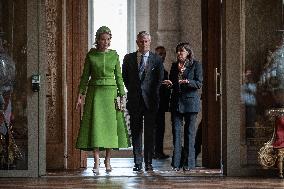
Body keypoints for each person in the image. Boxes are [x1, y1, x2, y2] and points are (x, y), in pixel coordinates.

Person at [75, 26, 130, 173]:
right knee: (96, 127)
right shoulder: (91, 55)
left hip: (111, 94)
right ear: (97, 40)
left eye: (108, 39)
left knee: (110, 129)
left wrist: (122, 95)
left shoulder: (115, 55)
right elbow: (85, 77)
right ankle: (96, 161)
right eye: (103, 39)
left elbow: (119, 77)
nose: (105, 42)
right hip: (95, 94)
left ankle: (108, 160)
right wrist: (80, 95)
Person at [122, 31, 164, 172]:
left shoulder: (157, 59)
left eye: (146, 41)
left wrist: (152, 95)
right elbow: (125, 79)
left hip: (151, 101)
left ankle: (148, 163)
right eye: (141, 41)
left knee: (150, 133)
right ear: (137, 42)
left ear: (150, 42)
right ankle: (138, 163)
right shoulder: (128, 58)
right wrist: (135, 93)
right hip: (135, 100)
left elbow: (159, 80)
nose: (144, 44)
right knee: (136, 132)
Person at [163, 42, 203, 171]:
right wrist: (170, 84)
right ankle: (176, 164)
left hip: (191, 103)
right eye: (178, 51)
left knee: (190, 134)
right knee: (176, 134)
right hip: (176, 103)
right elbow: (174, 83)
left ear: (188, 53)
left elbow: (198, 83)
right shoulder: (174, 66)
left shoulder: (196, 65)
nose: (179, 53)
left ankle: (189, 164)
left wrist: (188, 82)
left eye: (182, 51)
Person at [153, 46, 171, 159]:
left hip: (161, 105)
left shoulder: (164, 71)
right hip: (153, 104)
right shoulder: (151, 70)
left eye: (164, 54)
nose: (162, 56)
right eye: (160, 54)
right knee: (154, 129)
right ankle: (153, 152)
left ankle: (159, 151)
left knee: (161, 128)